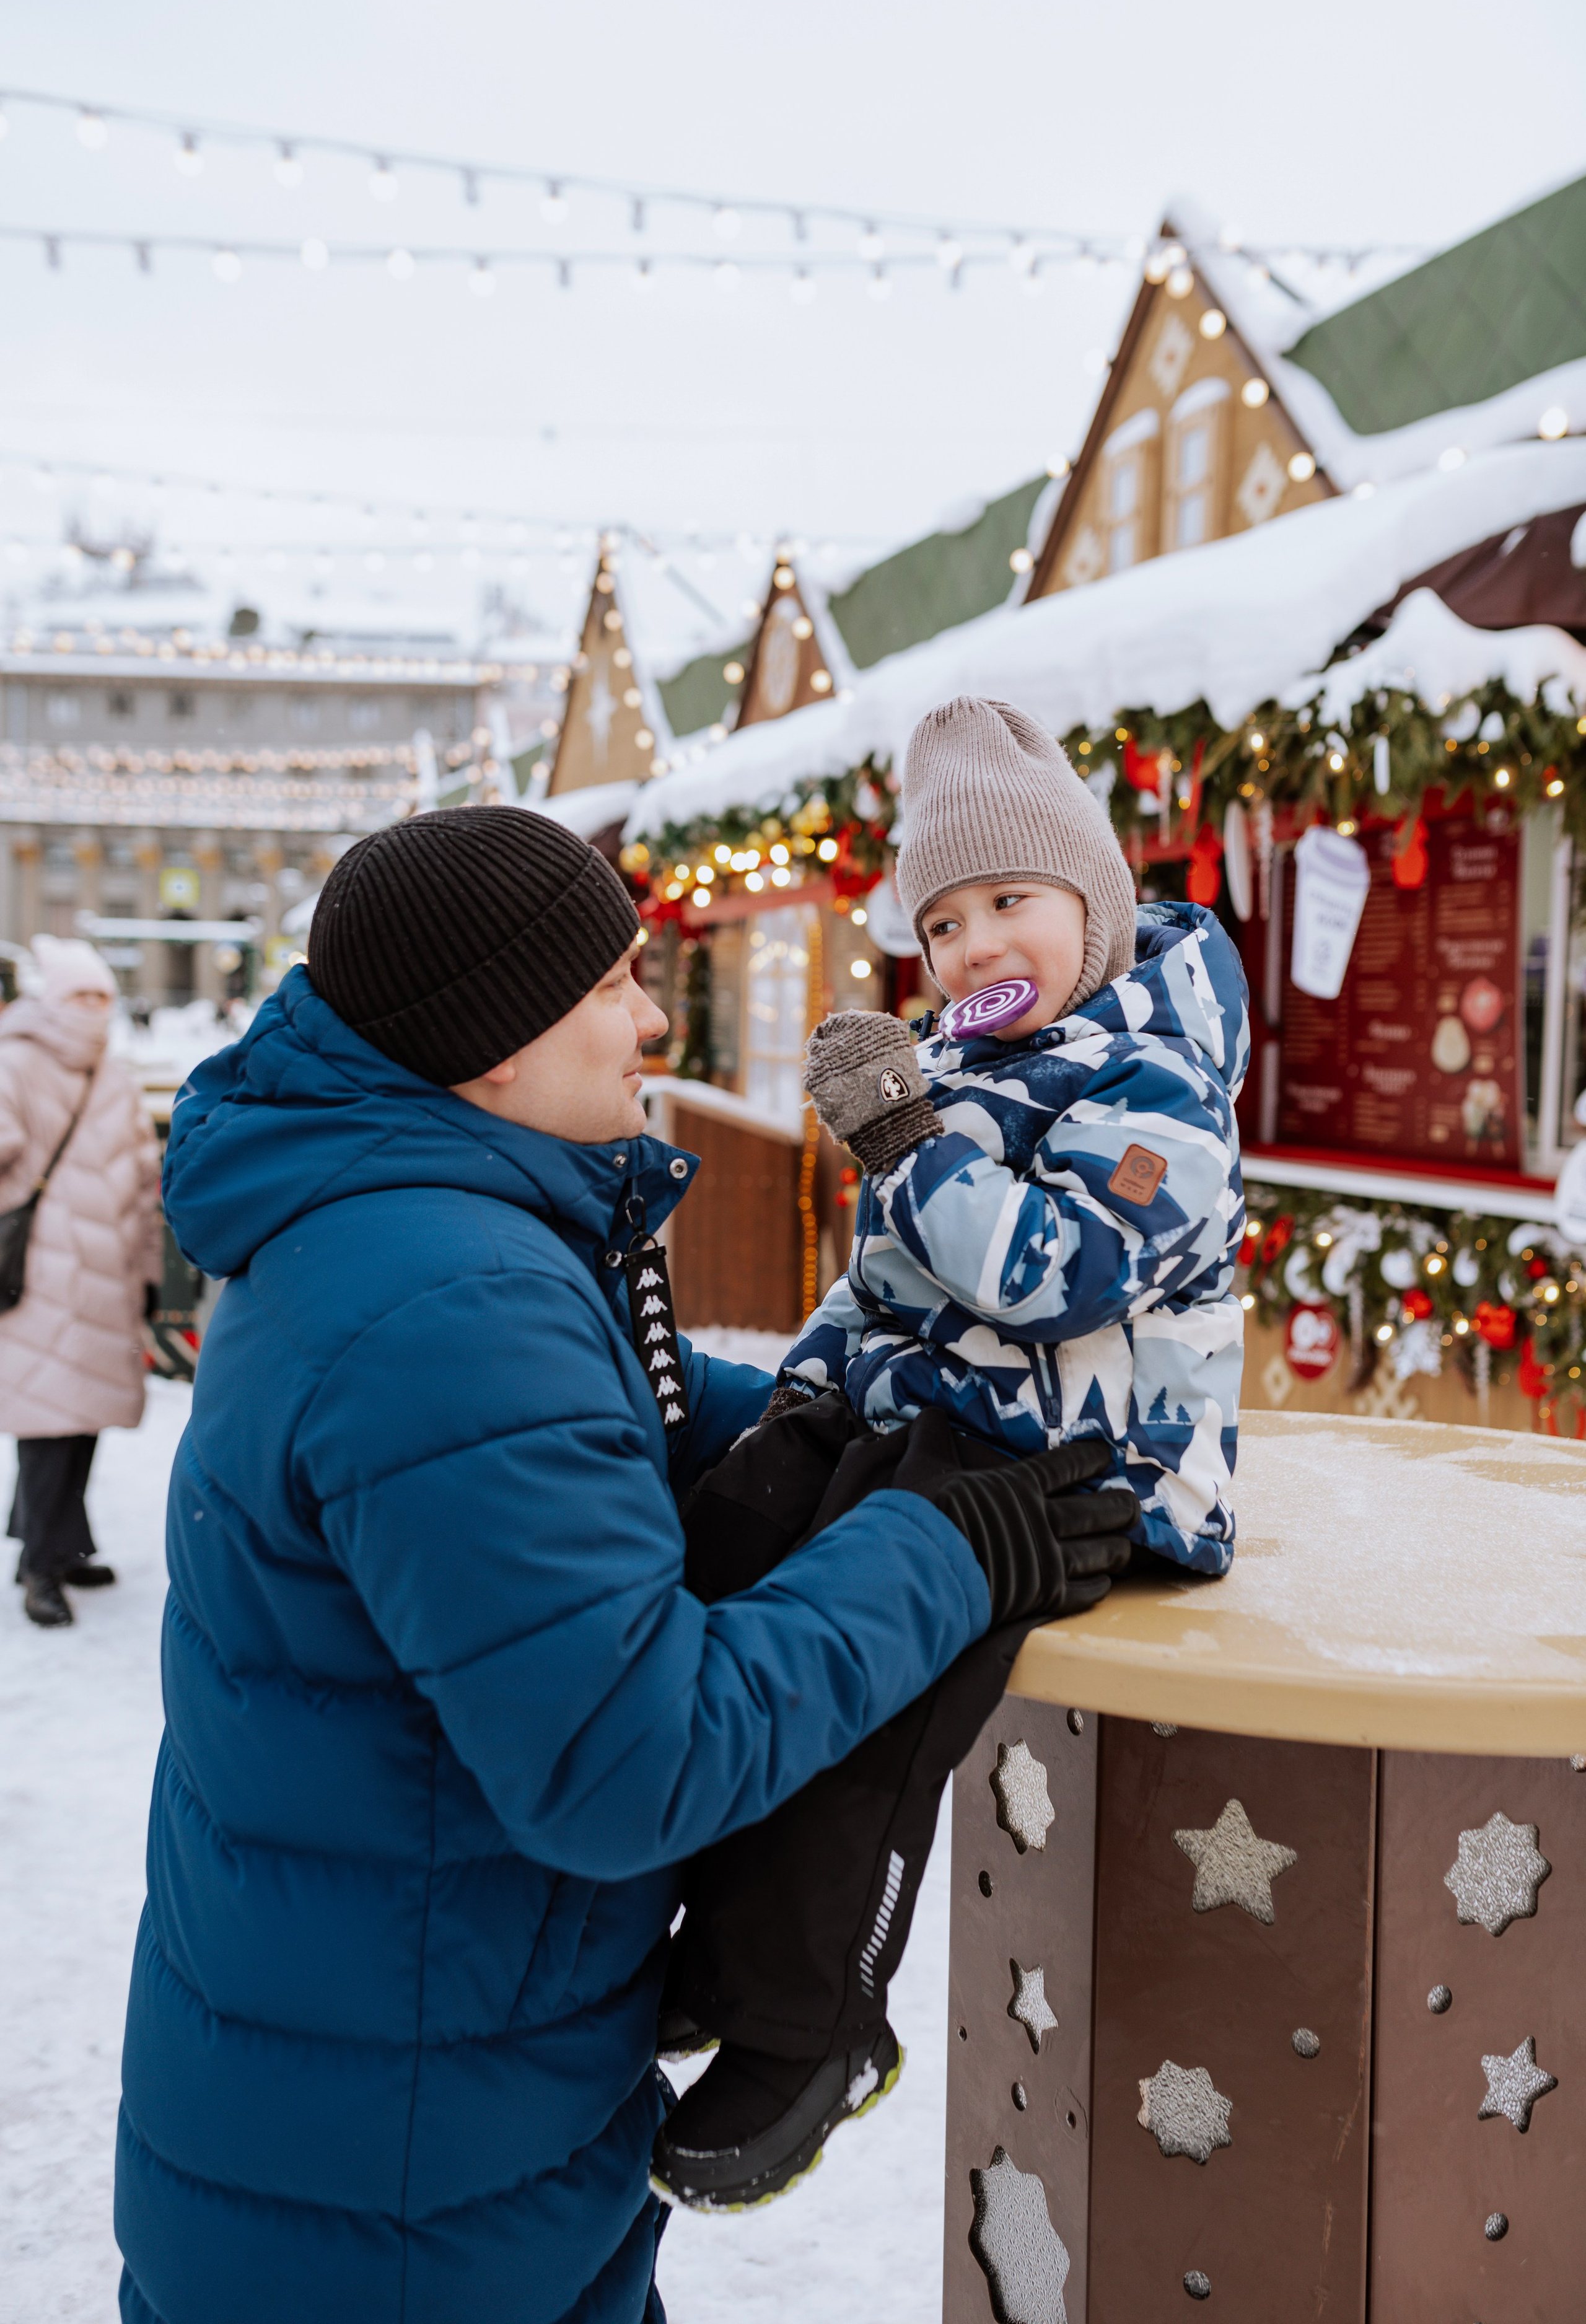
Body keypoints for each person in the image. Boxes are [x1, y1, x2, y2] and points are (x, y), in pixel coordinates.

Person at [114, 806, 1136, 2324]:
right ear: (492, 1044)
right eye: (610, 985)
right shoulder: (449, 1304)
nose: (653, 1020)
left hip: (391, 2108)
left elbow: (606, 1428)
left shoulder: (400, 1223)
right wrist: (945, 1548)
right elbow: (627, 1758)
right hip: (403, 2206)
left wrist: (848, 1410)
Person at [652, 695, 1248, 2210]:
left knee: (876, 1666)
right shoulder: (958, 1073)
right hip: (948, 1419)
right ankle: (719, 1943)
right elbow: (881, 1281)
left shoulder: (1154, 1082)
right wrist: (803, 1401)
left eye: (1007, 902)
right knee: (735, 1535)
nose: (975, 946)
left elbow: (1056, 1274)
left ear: (1092, 904)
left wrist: (909, 1146)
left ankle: (813, 2023)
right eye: (941, 921)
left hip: (1091, 1464)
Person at [0, 934, 162, 1628]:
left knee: (83, 1417)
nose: (92, 1008)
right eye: (79, 995)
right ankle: (41, 1564)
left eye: (102, 996)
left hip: (107, 1275)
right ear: (52, 999)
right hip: (42, 1273)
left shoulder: (114, 1076)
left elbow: (145, 1185)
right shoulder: (15, 1063)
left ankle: (58, 1546)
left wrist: (148, 1272)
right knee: (48, 1418)